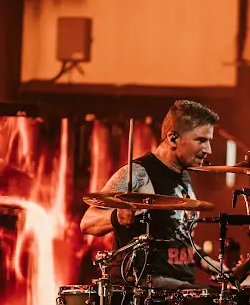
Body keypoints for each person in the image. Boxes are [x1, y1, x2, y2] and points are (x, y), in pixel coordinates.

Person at [80, 99, 222, 289]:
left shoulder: (184, 176)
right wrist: (117, 217)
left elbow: (179, 237)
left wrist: (208, 262)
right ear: (173, 138)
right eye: (201, 140)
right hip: (145, 288)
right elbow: (87, 222)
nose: (208, 150)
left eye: (209, 141)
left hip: (181, 288)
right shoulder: (138, 173)